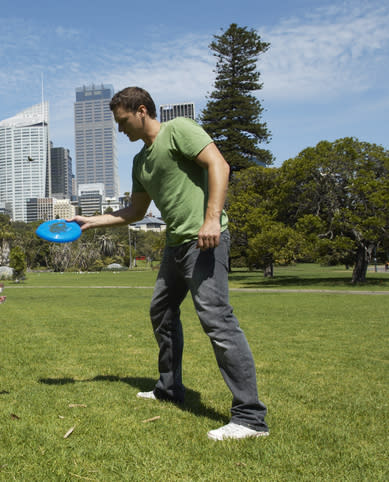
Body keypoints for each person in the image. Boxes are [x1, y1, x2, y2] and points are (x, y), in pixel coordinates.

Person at [69, 87, 268, 441]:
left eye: (123, 121)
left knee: (217, 320)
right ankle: (169, 387)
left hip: (204, 241)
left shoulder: (179, 130)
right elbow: (135, 212)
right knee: (161, 311)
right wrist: (91, 222)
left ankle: (250, 418)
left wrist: (211, 219)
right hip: (176, 245)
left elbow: (219, 164)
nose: (120, 130)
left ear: (141, 111)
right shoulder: (140, 162)